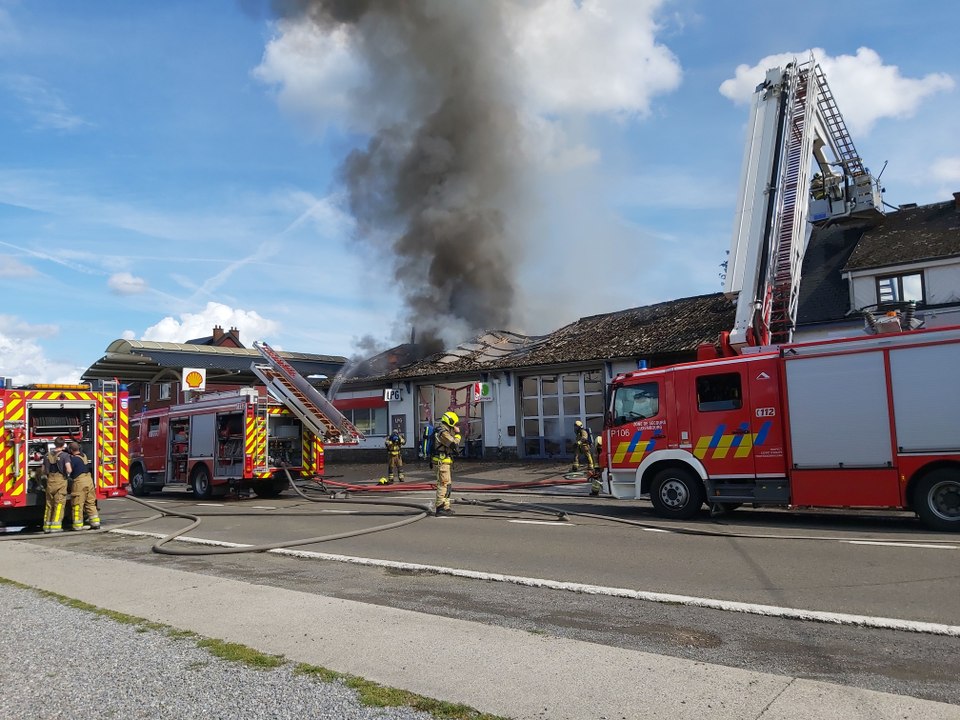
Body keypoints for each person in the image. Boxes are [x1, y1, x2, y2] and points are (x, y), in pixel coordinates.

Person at [432, 411, 462, 516]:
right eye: (455, 423)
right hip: (441, 462)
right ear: (450, 421)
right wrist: (458, 435)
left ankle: (446, 506)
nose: (455, 426)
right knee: (443, 484)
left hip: (445, 461)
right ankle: (440, 508)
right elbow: (454, 445)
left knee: (448, 485)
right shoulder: (443, 433)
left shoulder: (445, 431)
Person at [67, 442, 100, 530]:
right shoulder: (84, 456)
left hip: (80, 482)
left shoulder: (73, 459)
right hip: (89, 481)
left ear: (70, 450)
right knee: (90, 503)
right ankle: (95, 523)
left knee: (77, 504)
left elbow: (69, 470)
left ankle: (77, 526)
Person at [42, 437, 71, 533]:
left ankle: (47, 526)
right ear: (63, 445)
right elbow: (68, 469)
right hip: (60, 481)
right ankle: (56, 526)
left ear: (54, 444)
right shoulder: (65, 456)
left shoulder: (47, 455)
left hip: (50, 481)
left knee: (49, 504)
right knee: (59, 504)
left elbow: (43, 470)